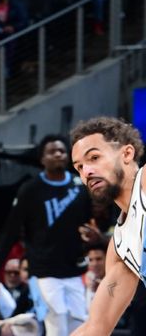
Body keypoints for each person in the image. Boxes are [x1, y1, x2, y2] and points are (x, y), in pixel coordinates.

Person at [0, 135, 92, 336]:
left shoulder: (79, 187)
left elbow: (89, 223)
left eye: (61, 151)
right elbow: (10, 232)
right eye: (52, 151)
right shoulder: (30, 190)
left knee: (80, 325)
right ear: (42, 159)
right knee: (56, 326)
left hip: (75, 269)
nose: (58, 154)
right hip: (44, 272)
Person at [69, 117, 146, 334]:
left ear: (127, 154)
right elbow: (96, 327)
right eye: (79, 167)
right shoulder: (120, 248)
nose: (86, 171)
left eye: (94, 157)